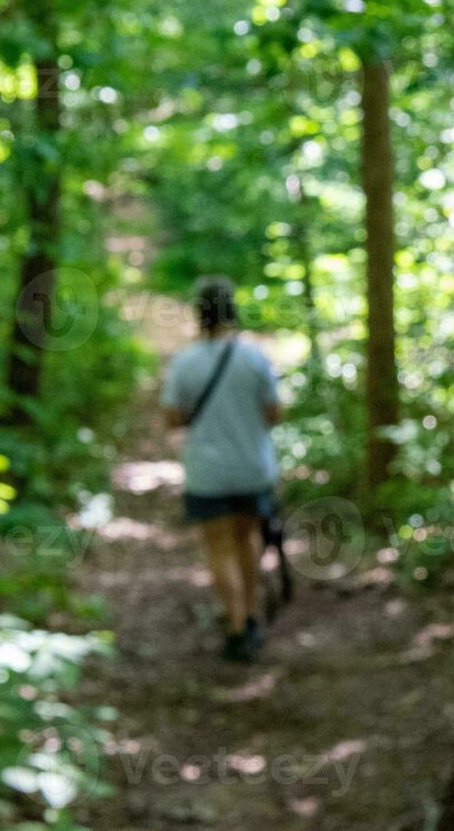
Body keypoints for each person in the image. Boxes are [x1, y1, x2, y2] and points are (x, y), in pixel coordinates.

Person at [162, 277, 283, 663]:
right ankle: (250, 616)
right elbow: (274, 413)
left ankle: (233, 625)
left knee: (219, 547)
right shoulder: (255, 357)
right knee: (247, 541)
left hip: (207, 473)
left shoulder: (185, 362)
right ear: (232, 312)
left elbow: (171, 418)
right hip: (251, 467)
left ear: (200, 315)